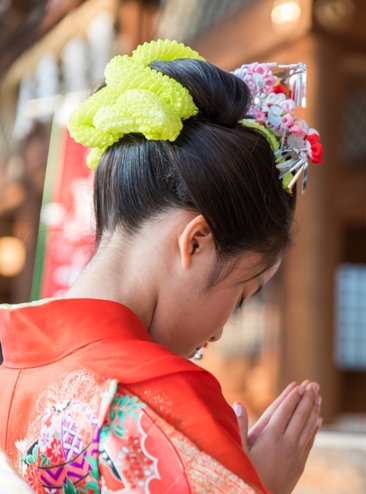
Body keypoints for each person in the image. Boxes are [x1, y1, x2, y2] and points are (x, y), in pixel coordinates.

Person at [0, 40, 324, 494]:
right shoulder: (171, 400)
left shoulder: (12, 359)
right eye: (240, 298)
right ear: (196, 241)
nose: (217, 335)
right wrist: (260, 484)